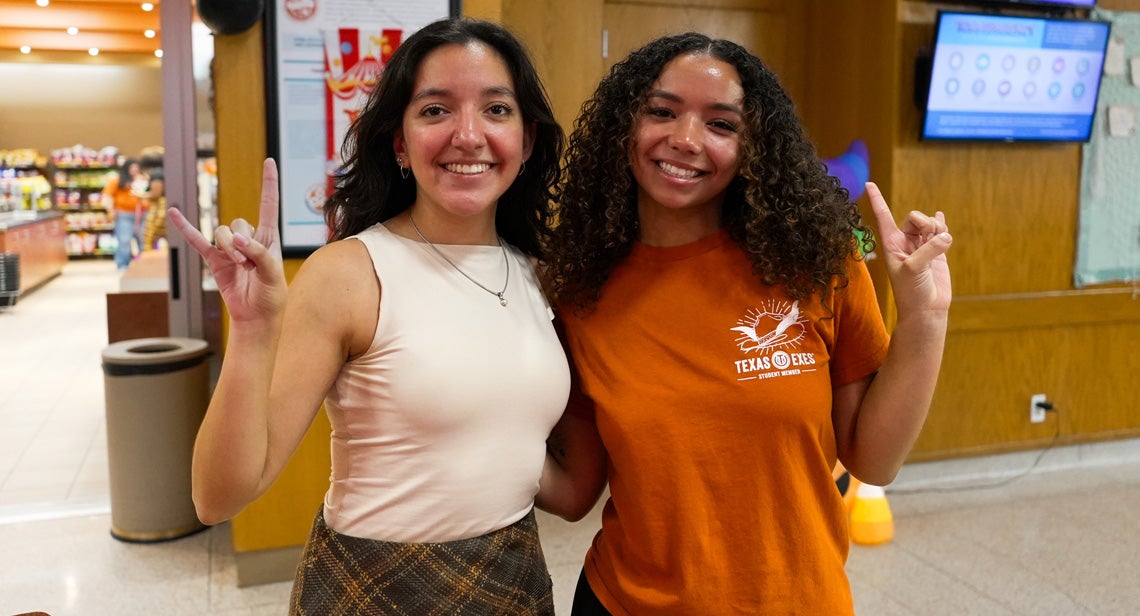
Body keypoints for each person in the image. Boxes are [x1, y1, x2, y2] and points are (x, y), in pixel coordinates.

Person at [167, 18, 603, 614]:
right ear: (400, 143)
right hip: (371, 586)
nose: (469, 135)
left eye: (496, 109)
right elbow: (218, 497)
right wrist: (251, 330)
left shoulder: (538, 276)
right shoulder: (348, 273)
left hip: (513, 583)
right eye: (434, 110)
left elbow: (572, 494)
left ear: (526, 142)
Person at [544, 33, 953, 614]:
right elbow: (575, 491)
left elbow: (873, 459)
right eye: (661, 112)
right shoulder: (583, 290)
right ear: (623, 127)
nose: (684, 139)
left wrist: (925, 315)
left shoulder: (816, 262)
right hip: (627, 602)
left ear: (753, 147)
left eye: (722, 125)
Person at [102, 158, 148, 270]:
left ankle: (145, 263)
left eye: (136, 168)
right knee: (124, 240)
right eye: (132, 168)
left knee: (144, 240)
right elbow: (107, 196)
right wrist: (110, 210)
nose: (134, 170)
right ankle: (123, 264)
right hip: (124, 215)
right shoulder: (117, 181)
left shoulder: (143, 180)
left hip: (142, 214)